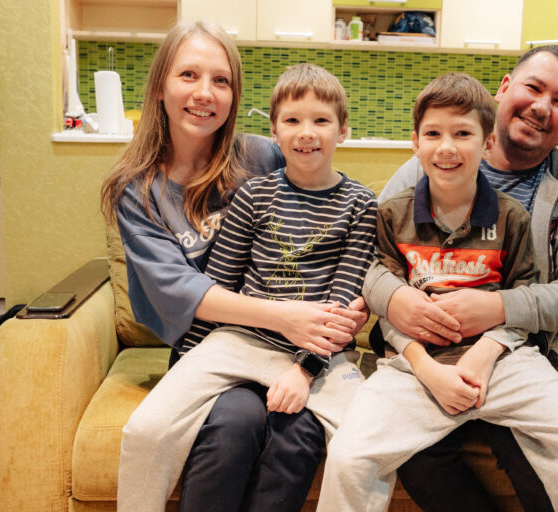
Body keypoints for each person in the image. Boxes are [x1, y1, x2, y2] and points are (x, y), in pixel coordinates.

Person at [316, 72, 558, 512]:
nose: (446, 147)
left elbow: (532, 294)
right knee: (349, 457)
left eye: (462, 134)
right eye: (433, 134)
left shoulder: (515, 215)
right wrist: (424, 367)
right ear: (415, 143)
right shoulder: (392, 210)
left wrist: (485, 353)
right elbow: (383, 299)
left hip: (504, 359)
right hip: (414, 368)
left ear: (486, 143)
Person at [101, 23, 367, 512]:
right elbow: (185, 289)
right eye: (189, 75)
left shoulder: (259, 157)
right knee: (235, 423)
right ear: (161, 85)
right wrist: (289, 317)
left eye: (220, 81)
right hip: (211, 343)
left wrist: (346, 312)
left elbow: (342, 244)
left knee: (296, 430)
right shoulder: (136, 192)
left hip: (299, 350)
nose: (205, 93)